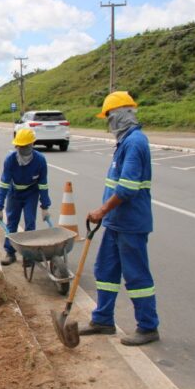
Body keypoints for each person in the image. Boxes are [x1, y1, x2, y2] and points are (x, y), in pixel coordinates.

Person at [79, 91, 160, 346]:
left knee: (136, 276)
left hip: (130, 223)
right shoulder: (124, 142)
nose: (107, 123)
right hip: (116, 222)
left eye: (109, 117)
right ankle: (103, 319)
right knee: (105, 270)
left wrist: (102, 210)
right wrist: (107, 213)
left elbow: (126, 188)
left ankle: (148, 327)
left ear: (120, 116)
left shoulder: (135, 142)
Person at [0, 129, 51, 265]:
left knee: (30, 222)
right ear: (16, 146)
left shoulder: (40, 160)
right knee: (12, 223)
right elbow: (4, 184)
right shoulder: (10, 160)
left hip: (31, 194)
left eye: (26, 146)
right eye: (20, 146)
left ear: (33, 144)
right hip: (14, 194)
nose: (23, 149)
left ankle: (28, 255)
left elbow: (43, 184)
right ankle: (10, 253)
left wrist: (45, 207)